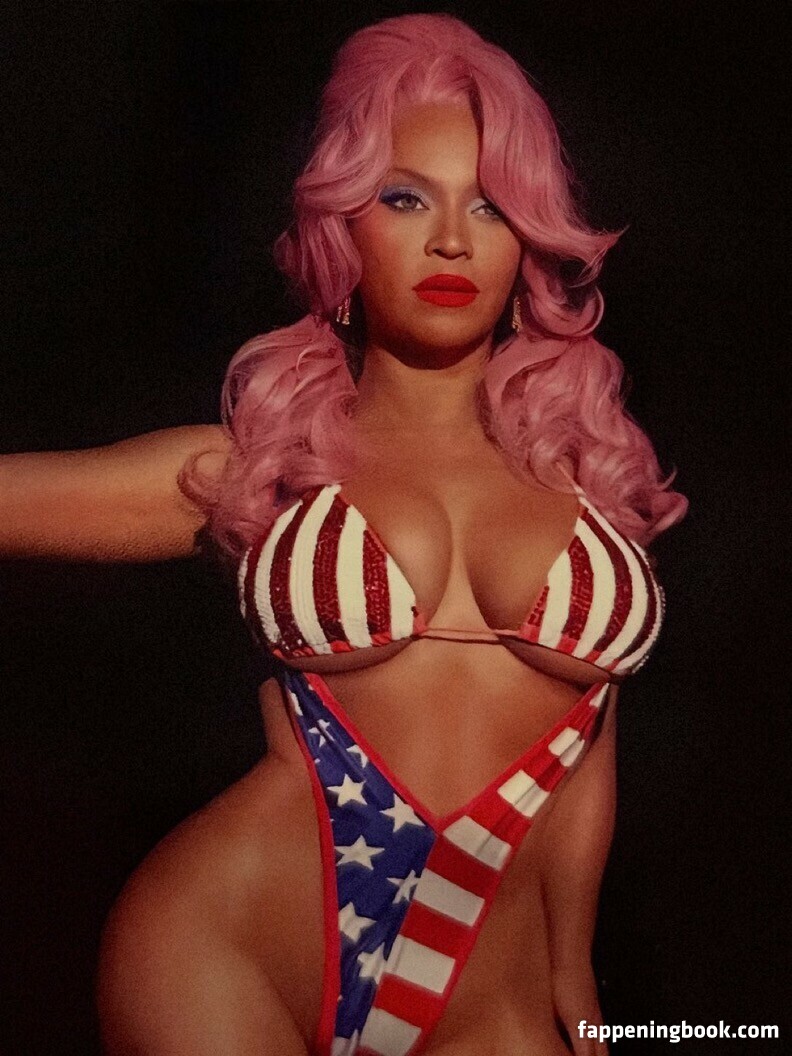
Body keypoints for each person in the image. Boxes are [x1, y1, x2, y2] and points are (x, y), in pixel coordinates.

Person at [2, 14, 686, 1056]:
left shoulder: (590, 479)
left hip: (491, 983)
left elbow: (588, 744)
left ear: (528, 240)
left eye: (491, 205)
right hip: (228, 944)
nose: (451, 239)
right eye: (404, 198)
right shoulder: (267, 468)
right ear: (341, 228)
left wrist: (572, 965)